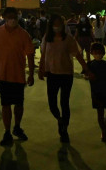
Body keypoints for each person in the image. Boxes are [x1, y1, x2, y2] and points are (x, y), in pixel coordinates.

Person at [0, 6, 35, 147]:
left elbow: (30, 56)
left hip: (18, 75)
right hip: (2, 74)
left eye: (14, 17)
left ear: (18, 17)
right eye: (9, 17)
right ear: (4, 18)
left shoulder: (24, 34)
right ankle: (7, 131)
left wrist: (31, 74)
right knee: (5, 104)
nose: (12, 20)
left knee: (19, 104)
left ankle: (17, 126)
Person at [38, 15, 88, 143]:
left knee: (64, 102)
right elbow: (43, 54)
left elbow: (77, 54)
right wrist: (41, 69)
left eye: (59, 24)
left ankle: (64, 128)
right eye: (55, 24)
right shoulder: (47, 38)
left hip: (66, 74)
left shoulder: (68, 39)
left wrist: (86, 68)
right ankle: (59, 119)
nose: (57, 26)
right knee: (52, 103)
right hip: (52, 74)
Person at [85, 42, 106, 141]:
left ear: (103, 53)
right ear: (92, 53)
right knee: (100, 113)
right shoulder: (89, 65)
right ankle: (103, 131)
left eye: (100, 52)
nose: (98, 54)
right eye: (96, 52)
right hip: (96, 93)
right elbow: (86, 75)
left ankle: (105, 123)